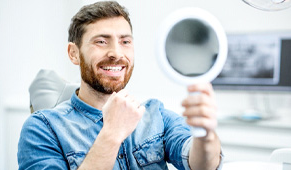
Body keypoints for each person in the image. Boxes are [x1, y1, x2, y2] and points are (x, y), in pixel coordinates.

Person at [18, 1, 223, 170]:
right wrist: (111, 134)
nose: (117, 53)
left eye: (125, 42)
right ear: (74, 53)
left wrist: (204, 133)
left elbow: (201, 165)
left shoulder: (156, 114)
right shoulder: (42, 128)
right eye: (101, 41)